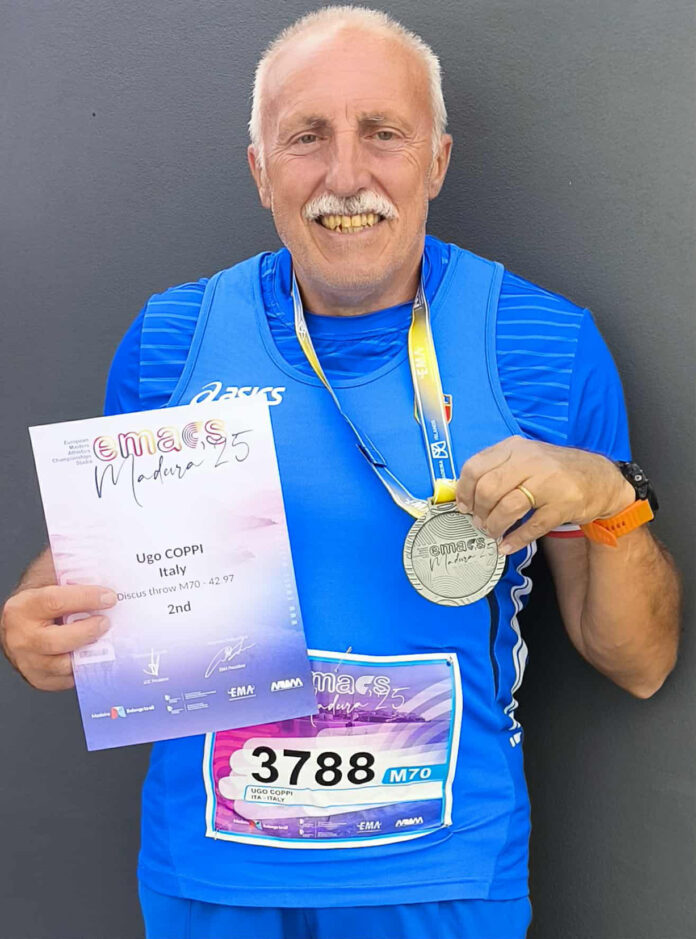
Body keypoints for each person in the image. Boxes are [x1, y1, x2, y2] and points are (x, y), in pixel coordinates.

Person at [0, 6, 681, 939]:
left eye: (384, 133)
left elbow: (638, 663)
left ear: (437, 160)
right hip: (214, 877)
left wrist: (611, 498)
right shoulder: (170, 340)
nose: (347, 175)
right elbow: (100, 578)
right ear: (260, 170)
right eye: (307, 136)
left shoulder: (545, 345)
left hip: (443, 878)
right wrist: (37, 621)